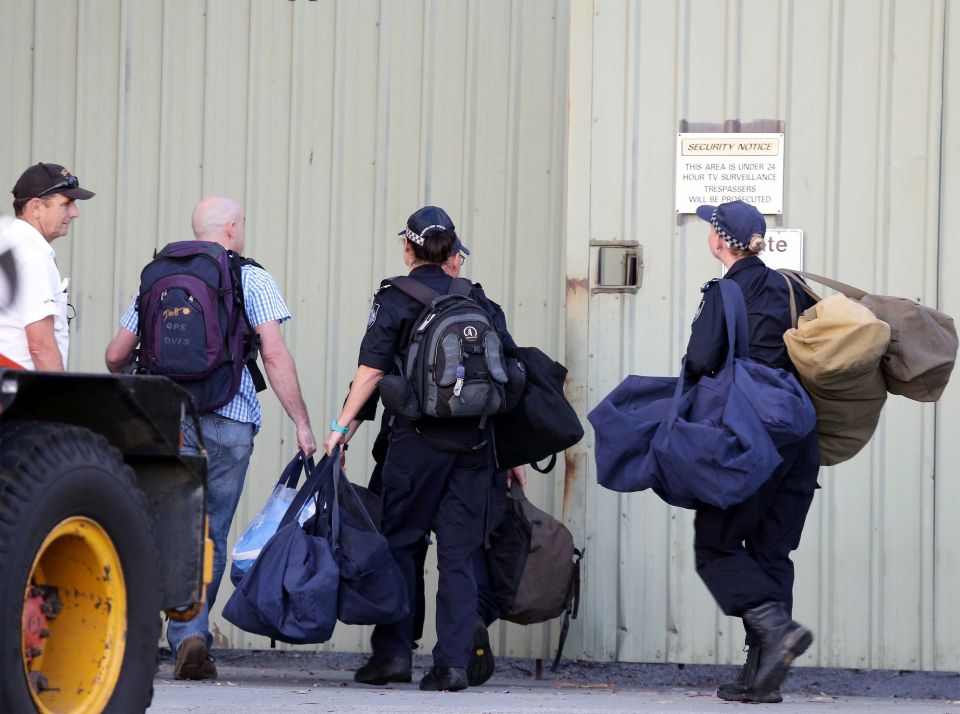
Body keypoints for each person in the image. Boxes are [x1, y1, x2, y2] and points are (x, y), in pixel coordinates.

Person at [105, 196, 317, 680]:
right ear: (231, 227)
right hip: (231, 417)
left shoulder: (156, 276)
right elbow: (275, 355)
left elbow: (116, 354)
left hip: (165, 418)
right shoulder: (251, 276)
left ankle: (150, 635)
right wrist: (302, 423)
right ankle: (192, 633)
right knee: (213, 530)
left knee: (169, 525)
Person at [324, 205, 518, 692]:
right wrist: (510, 455)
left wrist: (339, 430)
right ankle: (451, 665)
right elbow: (510, 372)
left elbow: (370, 371)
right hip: (473, 442)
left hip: (413, 444)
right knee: (458, 554)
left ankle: (392, 655)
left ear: (407, 249)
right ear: (453, 252)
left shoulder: (394, 298)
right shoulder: (476, 298)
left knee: (402, 547)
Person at [686, 200, 821, 704]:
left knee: (716, 548)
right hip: (800, 434)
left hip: (750, 436)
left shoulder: (725, 292)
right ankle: (761, 676)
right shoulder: (794, 288)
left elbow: (699, 360)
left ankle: (774, 627)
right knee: (771, 552)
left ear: (719, 241)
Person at [0, 163, 94, 370]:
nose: (75, 213)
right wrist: (59, 398)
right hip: (19, 392)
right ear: (36, 207)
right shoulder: (33, 256)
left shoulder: (7, 245)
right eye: (66, 204)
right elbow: (41, 347)